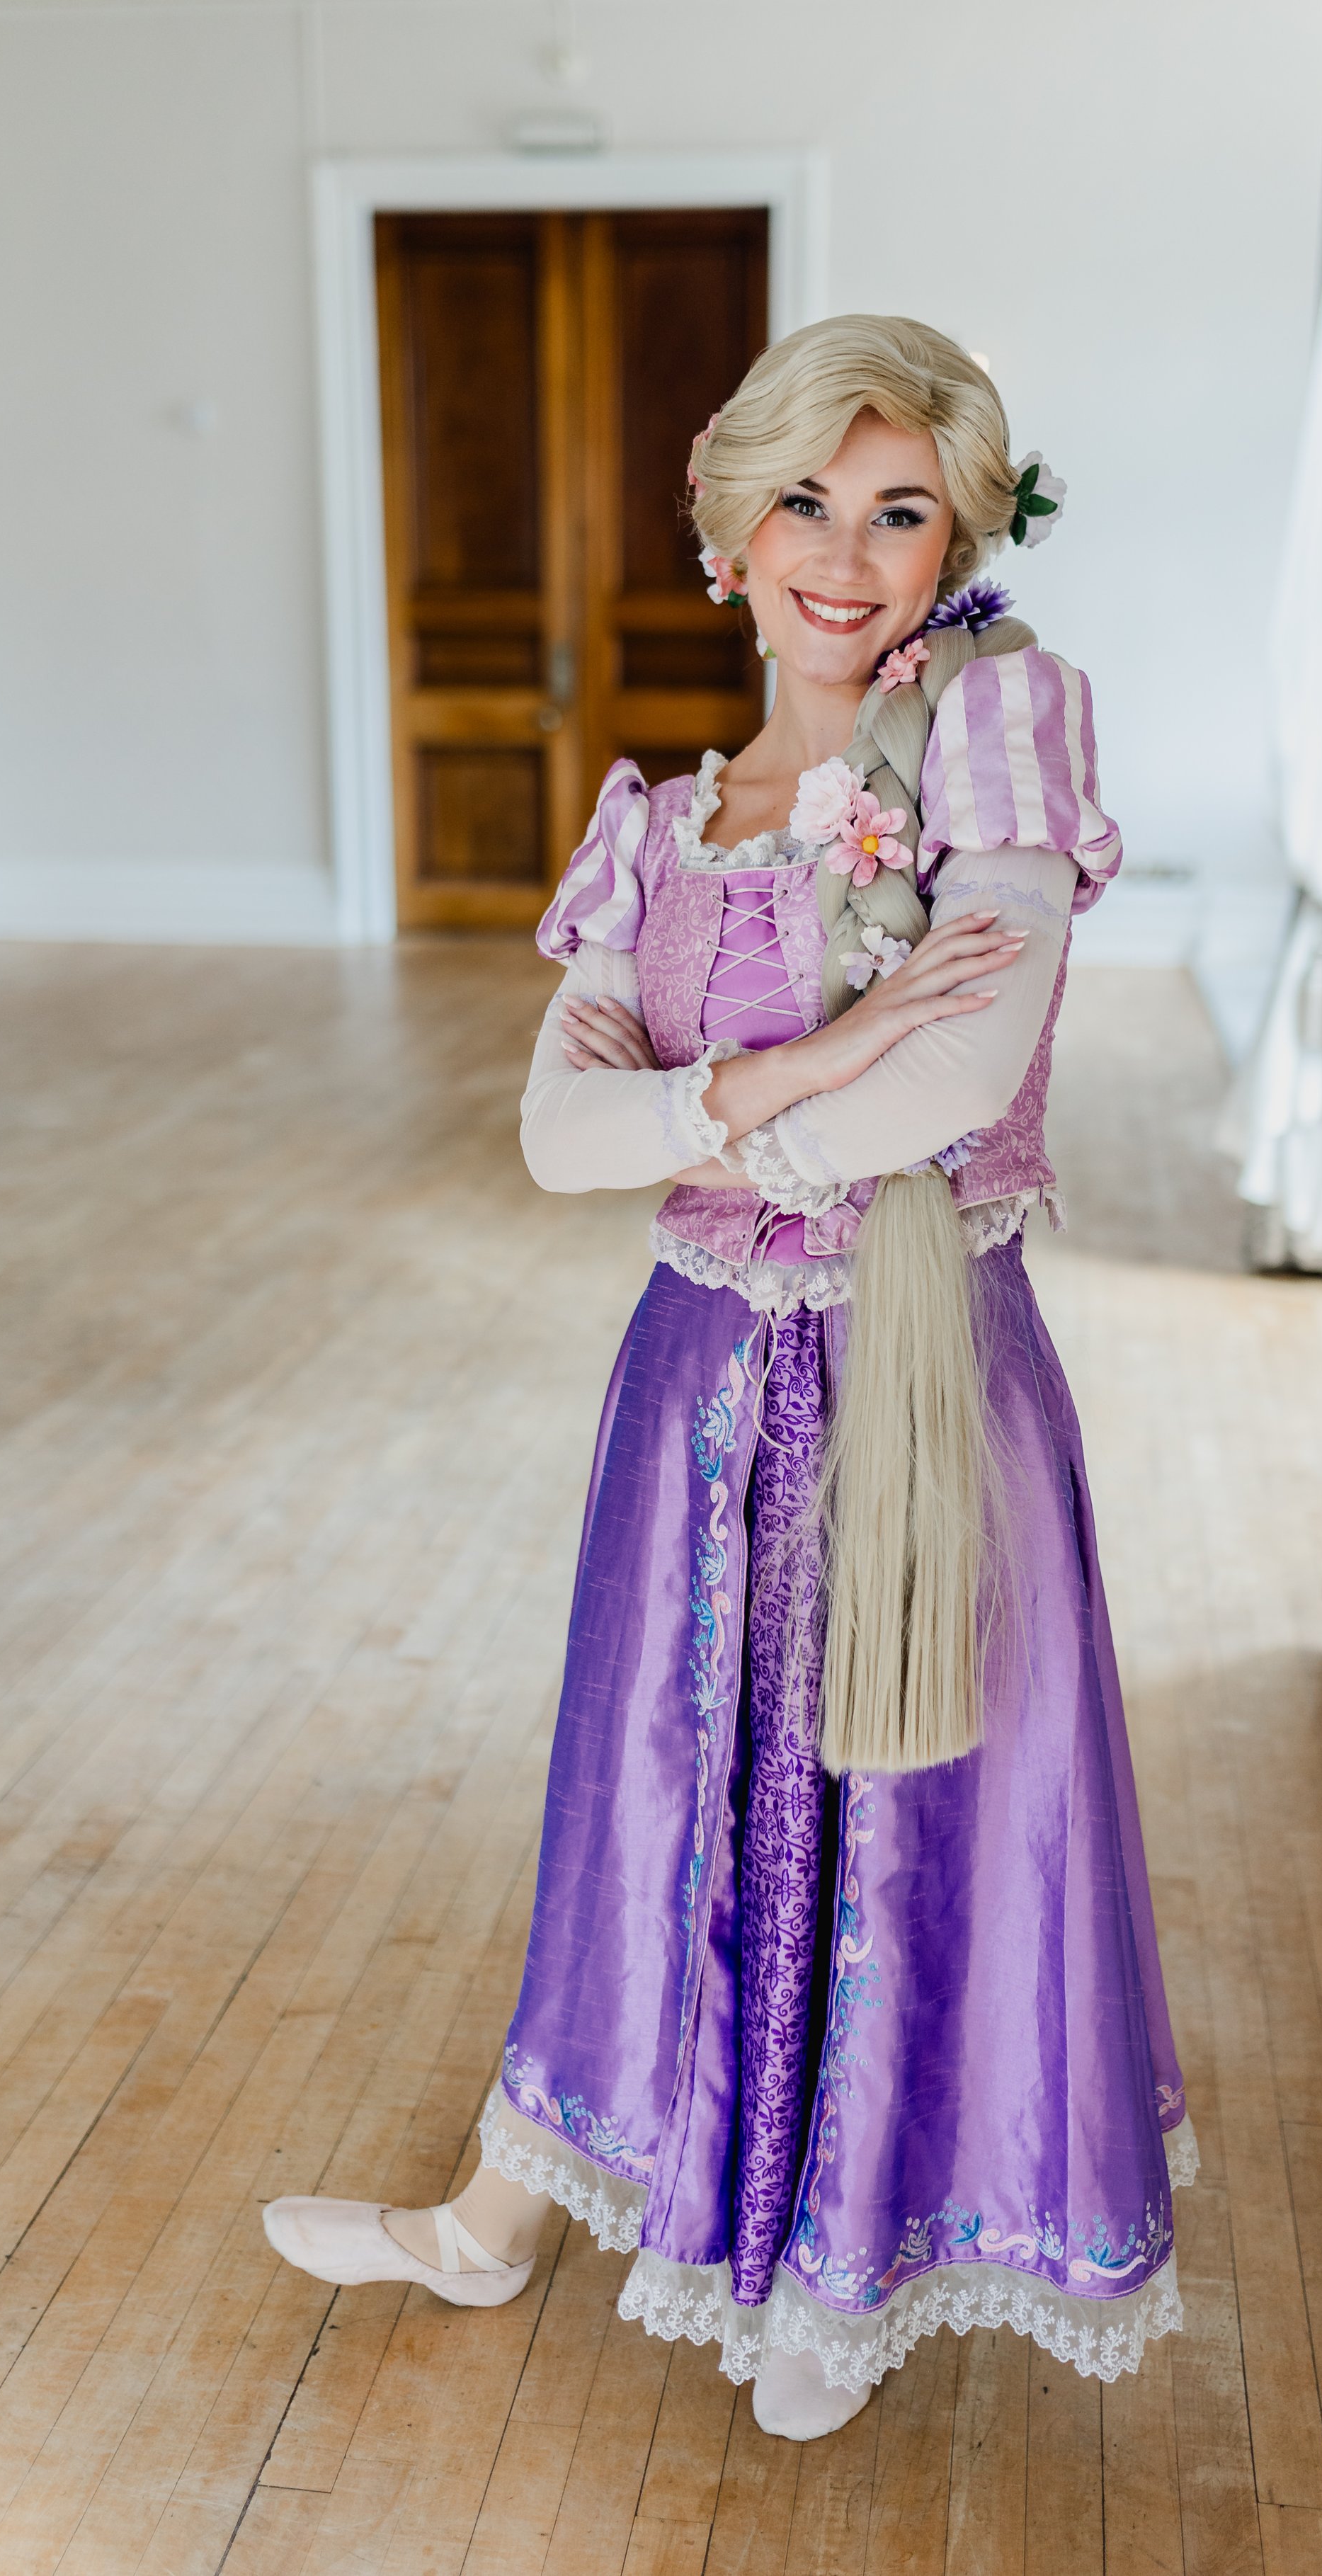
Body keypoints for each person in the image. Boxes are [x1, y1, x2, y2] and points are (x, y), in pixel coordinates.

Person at [265, 315, 1195, 2443]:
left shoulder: (997, 739)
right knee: (654, 1784)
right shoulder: (655, 822)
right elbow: (546, 1136)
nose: (848, 555)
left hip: (917, 1360)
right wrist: (798, 1066)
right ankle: (503, 2214)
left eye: (898, 509)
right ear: (729, 537)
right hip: (693, 1371)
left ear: (957, 531)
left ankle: (841, 2265)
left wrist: (708, 1113)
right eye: (807, 503)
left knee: (905, 1807)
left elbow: (958, 1080)